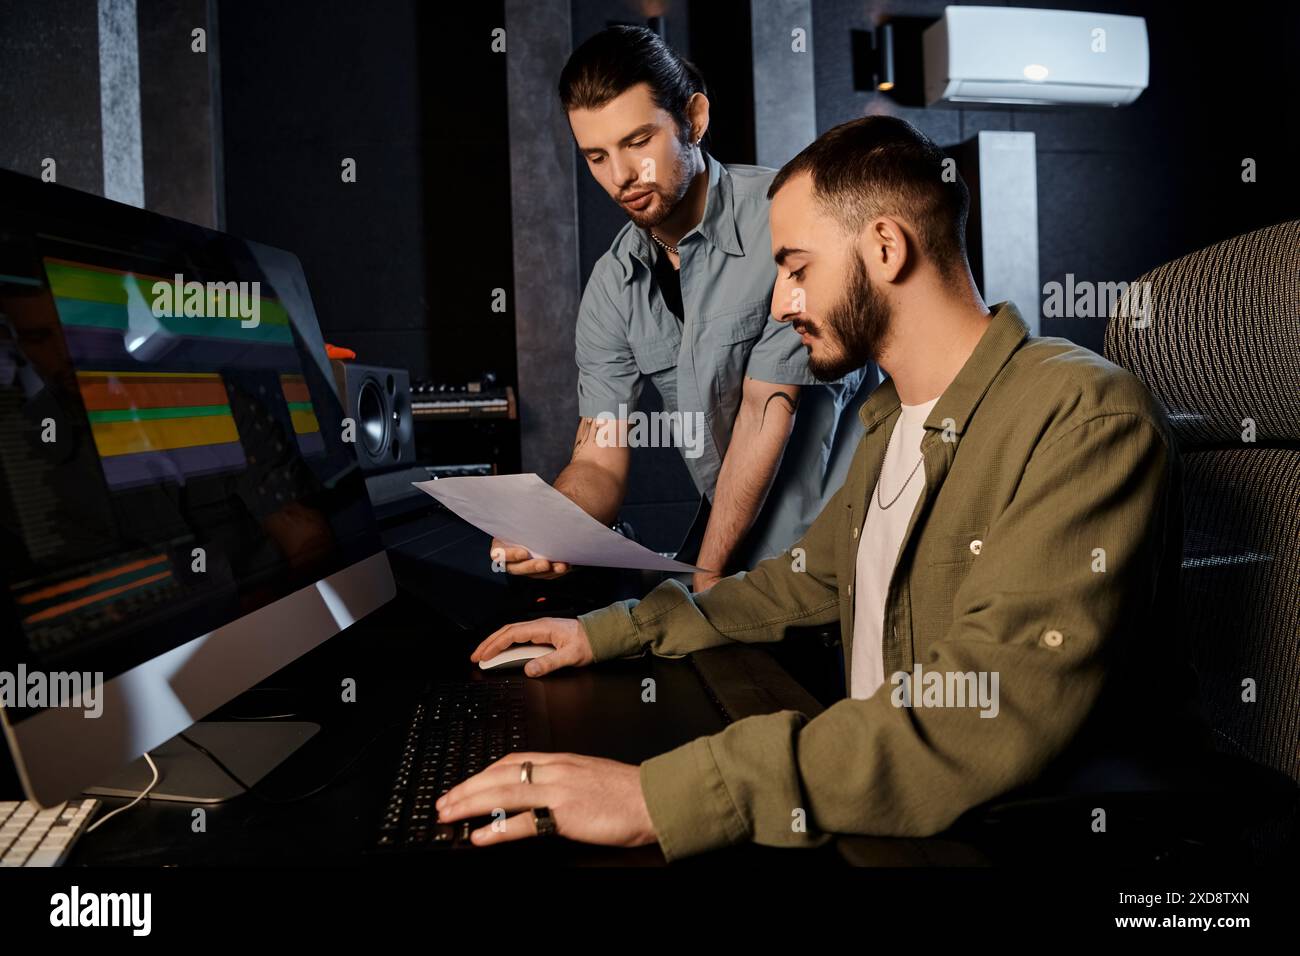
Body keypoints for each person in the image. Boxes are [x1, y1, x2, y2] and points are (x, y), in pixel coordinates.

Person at [442, 116, 1200, 861]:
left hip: (980, 839)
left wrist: (653, 798)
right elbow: (794, 586)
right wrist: (607, 632)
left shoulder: (1085, 418)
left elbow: (980, 707)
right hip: (874, 811)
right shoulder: (888, 425)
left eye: (797, 268)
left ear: (885, 248)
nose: (779, 303)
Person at [490, 25, 872, 592]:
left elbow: (766, 411)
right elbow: (598, 460)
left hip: (854, 537)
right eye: (597, 156)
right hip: (737, 554)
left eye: (638, 141)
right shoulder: (611, 288)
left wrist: (708, 575)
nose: (620, 177)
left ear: (693, 119)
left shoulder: (784, 222)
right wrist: (551, 525)